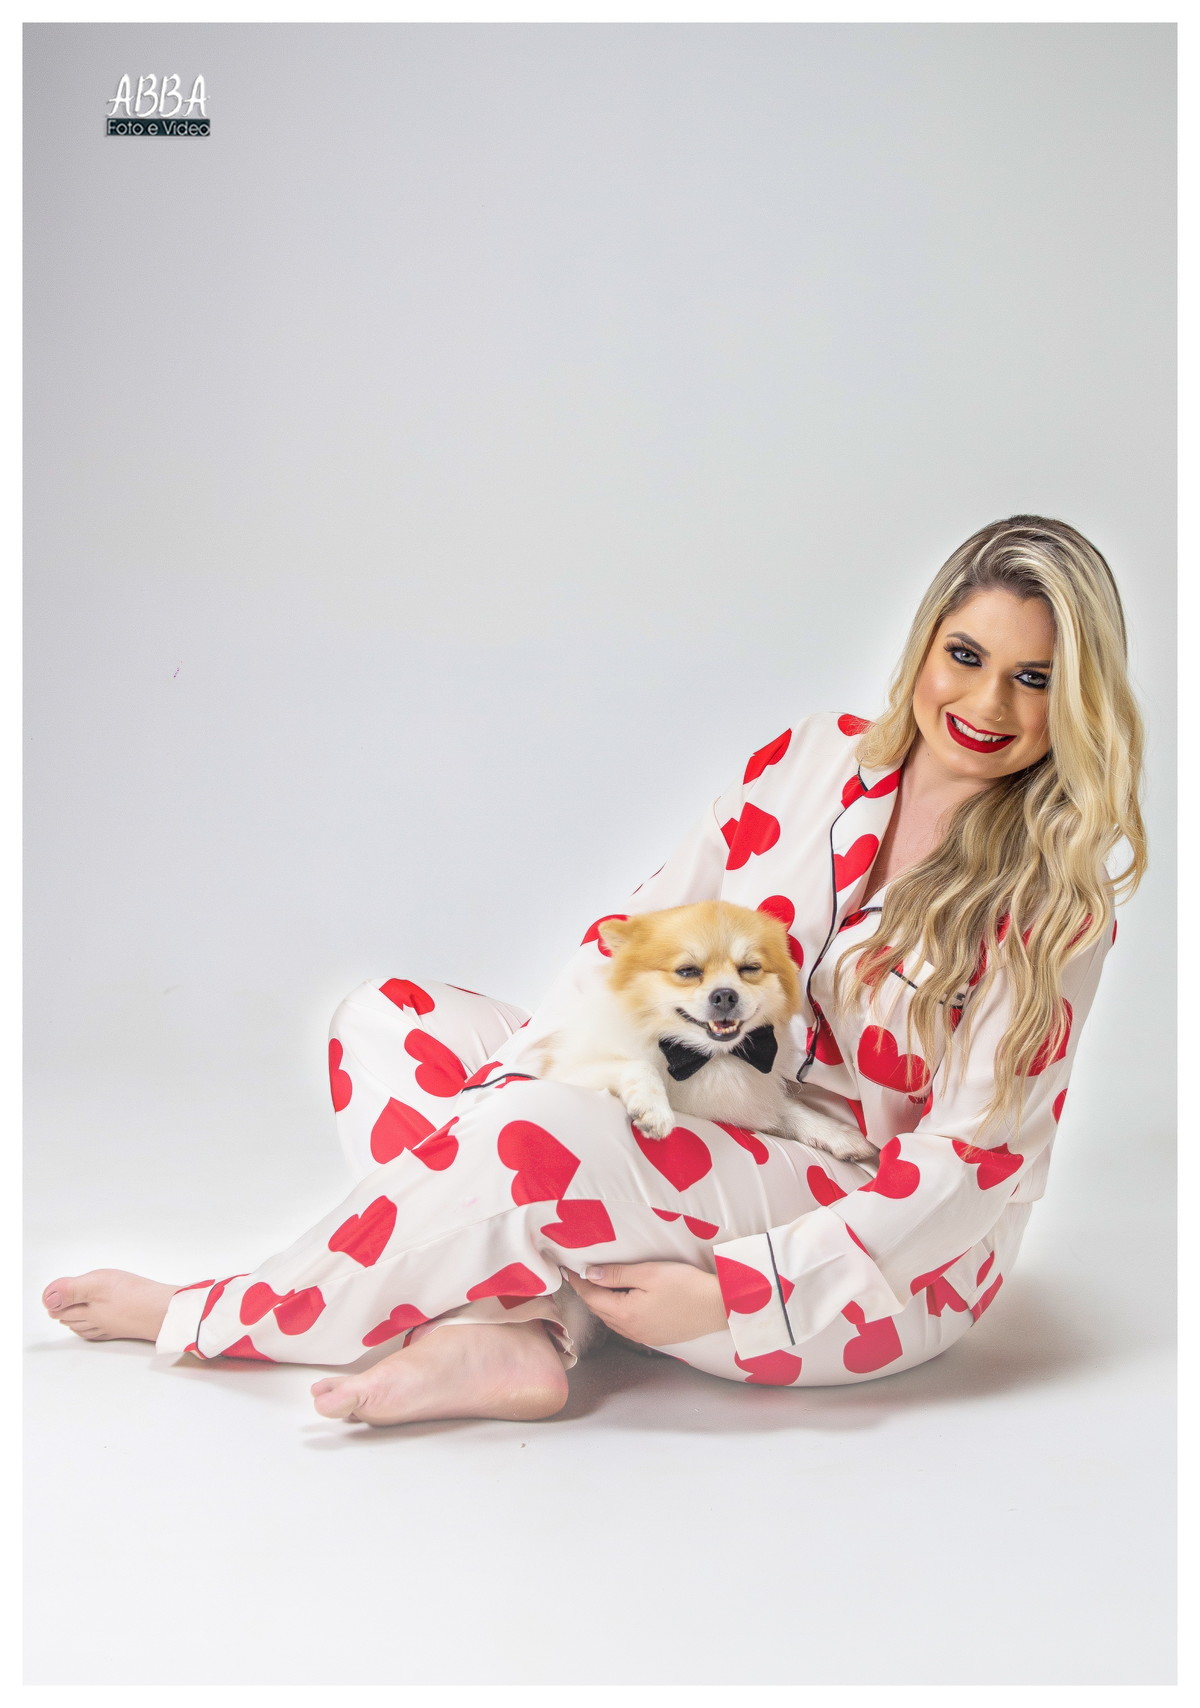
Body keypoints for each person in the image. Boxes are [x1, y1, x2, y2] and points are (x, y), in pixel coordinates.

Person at [42, 515, 1146, 1427]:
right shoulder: (815, 759)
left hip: (860, 1242)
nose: (987, 706)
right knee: (386, 1023)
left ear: (1077, 698)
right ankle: (520, 1331)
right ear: (925, 645)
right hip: (704, 1100)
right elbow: (634, 938)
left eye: (1033, 679)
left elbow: (971, 1167)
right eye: (967, 657)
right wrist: (521, 1080)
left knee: (525, 1141)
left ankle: (219, 1311)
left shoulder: (1055, 901)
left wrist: (741, 1292)